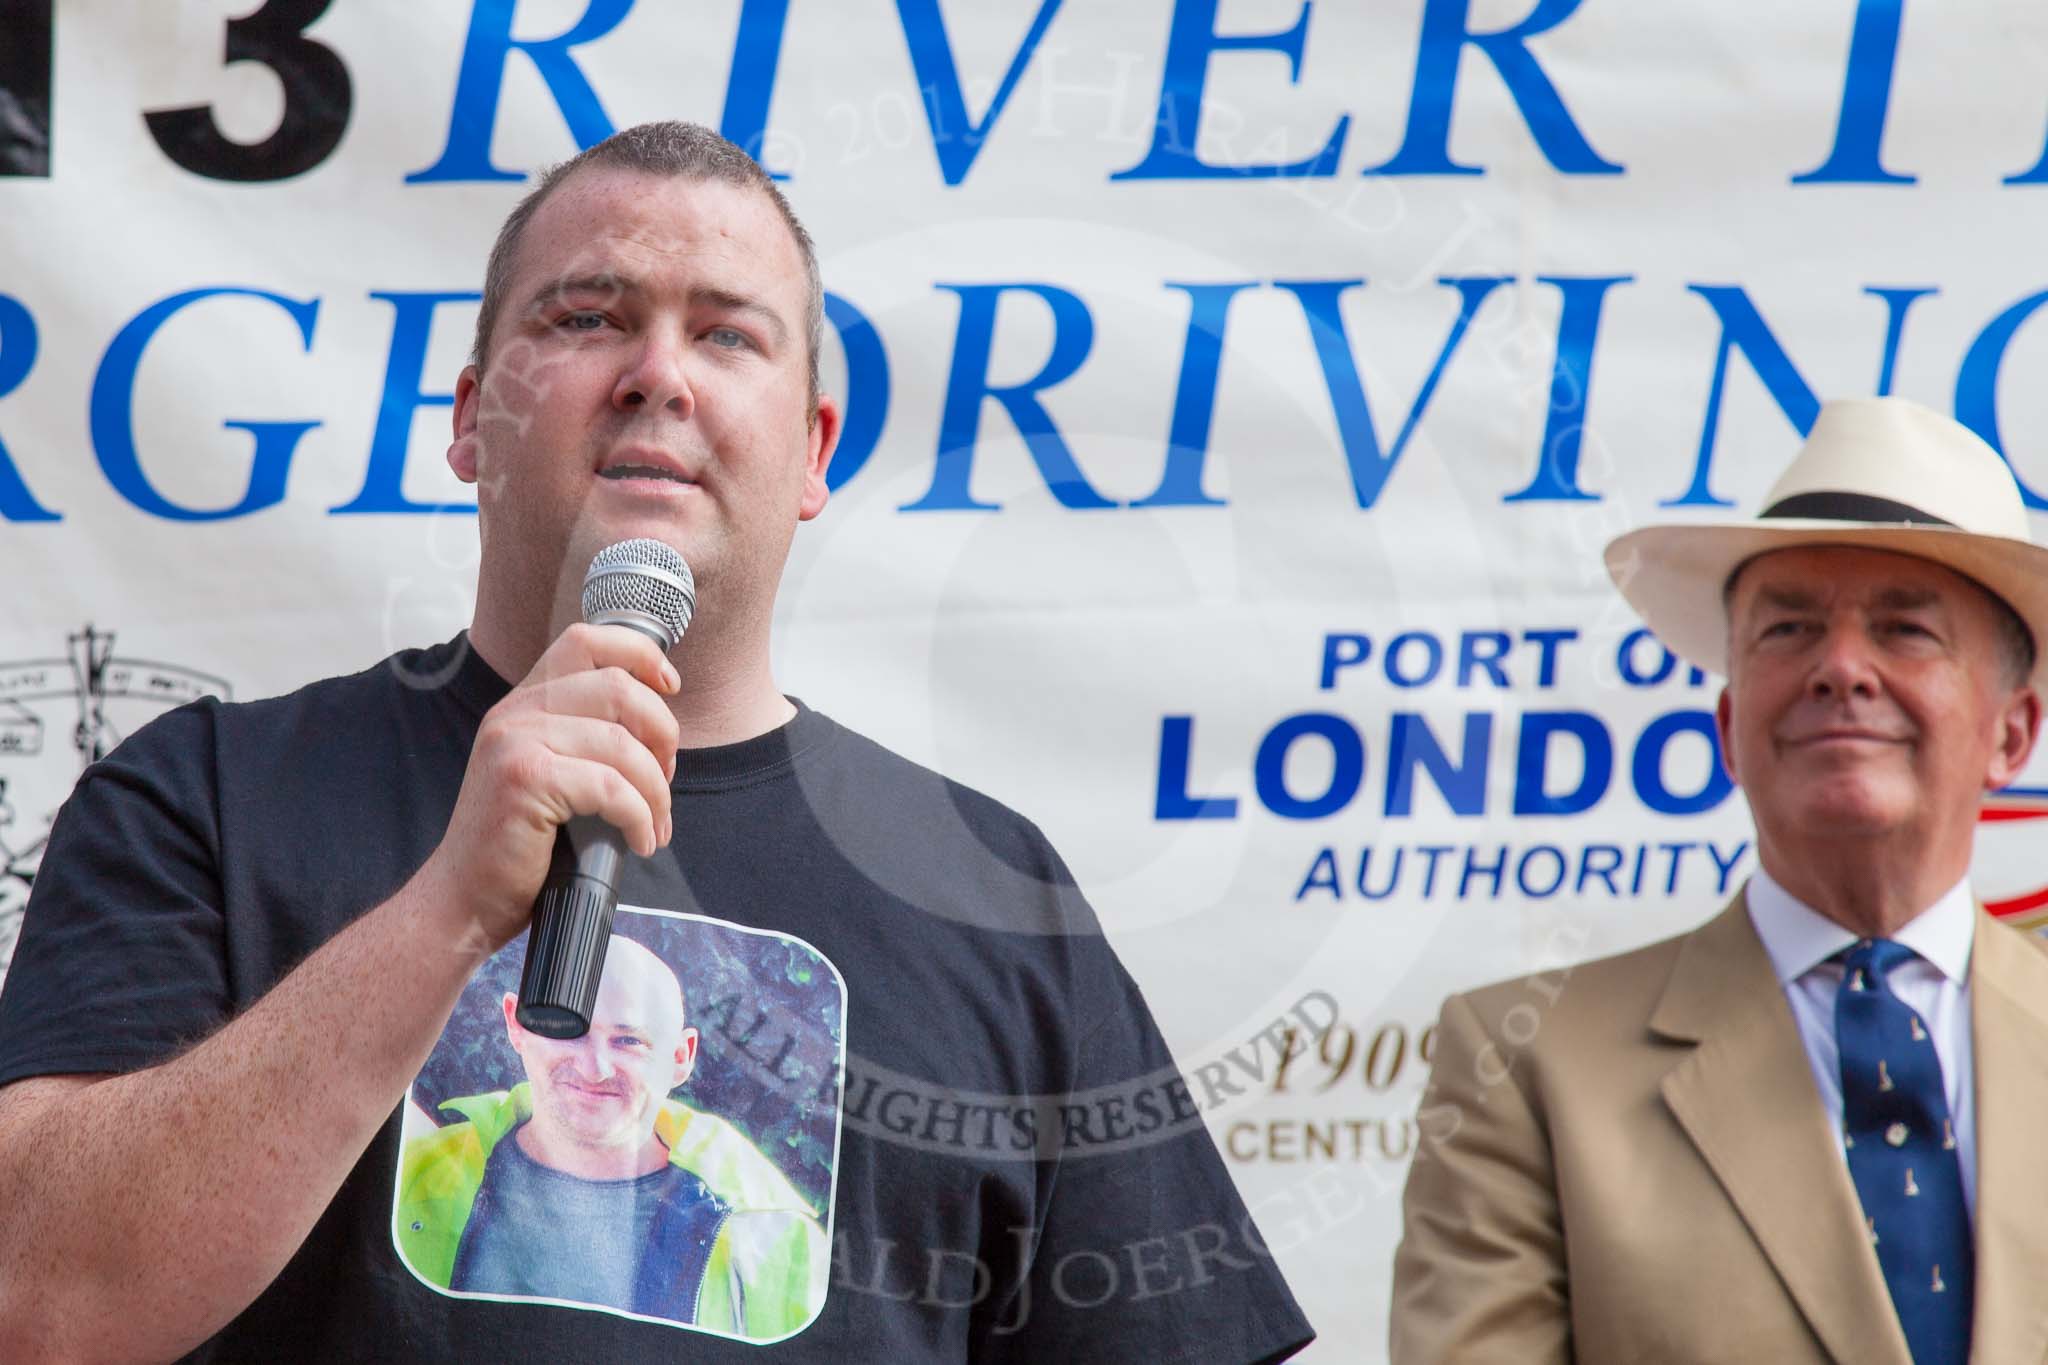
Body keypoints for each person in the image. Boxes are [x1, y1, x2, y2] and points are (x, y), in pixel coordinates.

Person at [0, 122, 1313, 1361]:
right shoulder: (207, 800)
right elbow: (39, 1302)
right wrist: (448, 913)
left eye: (728, 335)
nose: (658, 374)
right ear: (470, 420)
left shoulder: (991, 888)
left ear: (811, 455)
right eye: (588, 318)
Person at [1389, 396, 2048, 1364]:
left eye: (1903, 630)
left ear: (2010, 734)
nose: (1838, 669)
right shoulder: (1523, 1066)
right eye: (1786, 631)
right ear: (1728, 729)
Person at [395, 934, 828, 1338]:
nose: (593, 1067)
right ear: (517, 1025)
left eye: (628, 1041)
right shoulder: (414, 1175)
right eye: (565, 1027)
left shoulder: (774, 1241)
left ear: (681, 1057)